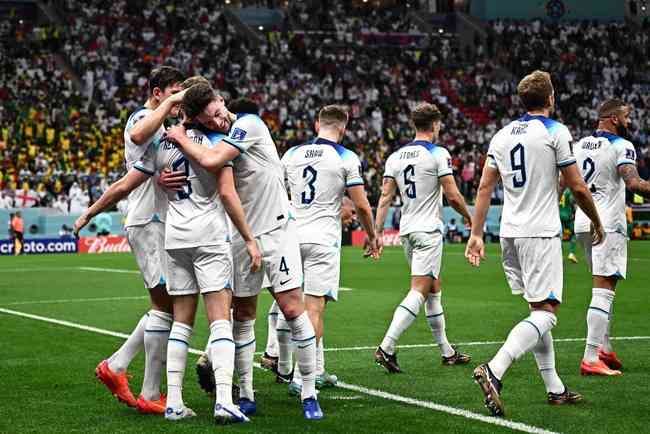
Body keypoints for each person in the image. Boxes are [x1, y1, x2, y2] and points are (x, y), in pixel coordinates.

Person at [76, 82, 254, 423]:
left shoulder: (162, 142)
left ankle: (172, 402)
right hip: (209, 236)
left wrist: (91, 211)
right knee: (220, 320)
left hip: (174, 238)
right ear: (205, 110)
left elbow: (126, 185)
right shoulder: (220, 142)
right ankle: (224, 400)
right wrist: (248, 237)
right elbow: (230, 193)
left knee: (180, 322)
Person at [167, 91, 324, 420]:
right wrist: (162, 176)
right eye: (207, 119)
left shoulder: (249, 124)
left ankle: (310, 391)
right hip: (240, 237)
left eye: (216, 111)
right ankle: (247, 392)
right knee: (243, 314)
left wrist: (181, 135)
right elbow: (197, 174)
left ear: (222, 100)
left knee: (293, 307)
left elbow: (210, 161)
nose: (216, 120)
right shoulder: (213, 139)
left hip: (276, 232)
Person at [465, 70, 604, 417]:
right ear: (551, 98)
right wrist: (597, 220)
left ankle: (554, 387)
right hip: (540, 231)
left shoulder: (500, 136)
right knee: (547, 314)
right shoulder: (555, 131)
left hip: (509, 232)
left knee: (537, 309)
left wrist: (477, 233)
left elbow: (484, 188)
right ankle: (495, 370)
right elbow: (577, 186)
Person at [91, 66, 184, 414]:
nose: (179, 99)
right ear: (158, 92)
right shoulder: (144, 116)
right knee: (167, 306)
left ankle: (121, 371)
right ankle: (145, 389)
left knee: (170, 306)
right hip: (148, 219)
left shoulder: (163, 122)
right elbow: (138, 139)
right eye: (174, 92)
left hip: (160, 218)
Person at [280, 104, 379, 395]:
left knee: (292, 307)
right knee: (314, 310)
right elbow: (360, 204)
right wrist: (372, 235)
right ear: (344, 128)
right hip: (323, 240)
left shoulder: (292, 154)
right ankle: (302, 377)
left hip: (292, 237)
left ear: (316, 125)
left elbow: (276, 192)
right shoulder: (346, 157)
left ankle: (317, 368)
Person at [373, 102, 473, 374]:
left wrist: (377, 232)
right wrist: (469, 216)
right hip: (428, 230)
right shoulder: (438, 153)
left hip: (407, 231)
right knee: (419, 289)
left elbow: (385, 197)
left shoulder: (395, 157)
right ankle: (387, 346)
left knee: (433, 289)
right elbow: (452, 195)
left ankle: (447, 351)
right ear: (435, 125)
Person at [574, 98, 650, 376]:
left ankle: (604, 348)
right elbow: (634, 183)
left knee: (603, 288)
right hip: (607, 224)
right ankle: (591, 356)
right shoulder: (622, 145)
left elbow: (565, 182)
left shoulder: (579, 145)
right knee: (604, 290)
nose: (630, 122)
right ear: (615, 118)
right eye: (627, 117)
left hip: (583, 222)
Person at [559, 188, 578, 263]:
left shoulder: (557, 189)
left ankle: (559, 255)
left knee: (559, 236)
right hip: (567, 215)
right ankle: (571, 253)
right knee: (573, 234)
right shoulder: (568, 190)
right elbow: (572, 201)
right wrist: (574, 212)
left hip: (558, 215)